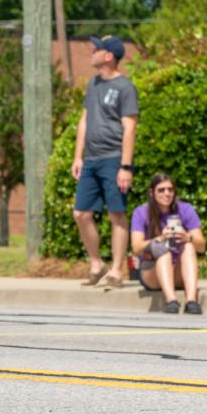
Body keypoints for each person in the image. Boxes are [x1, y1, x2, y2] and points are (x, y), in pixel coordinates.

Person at [72, 35, 139, 289]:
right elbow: (85, 120)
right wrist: (78, 156)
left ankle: (117, 270)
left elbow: (130, 128)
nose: (92, 52)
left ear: (108, 56)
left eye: (96, 49)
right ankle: (96, 263)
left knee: (116, 214)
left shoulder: (125, 87)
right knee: (81, 213)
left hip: (113, 159)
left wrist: (125, 167)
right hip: (91, 160)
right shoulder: (93, 84)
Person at [130, 174, 205, 314]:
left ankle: (191, 301)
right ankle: (171, 301)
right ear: (152, 192)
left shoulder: (186, 210)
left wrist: (187, 236)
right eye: (161, 190)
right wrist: (160, 238)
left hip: (178, 272)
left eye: (170, 190)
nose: (167, 193)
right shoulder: (141, 212)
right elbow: (136, 248)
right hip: (151, 271)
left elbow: (201, 246)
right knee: (163, 248)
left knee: (188, 246)